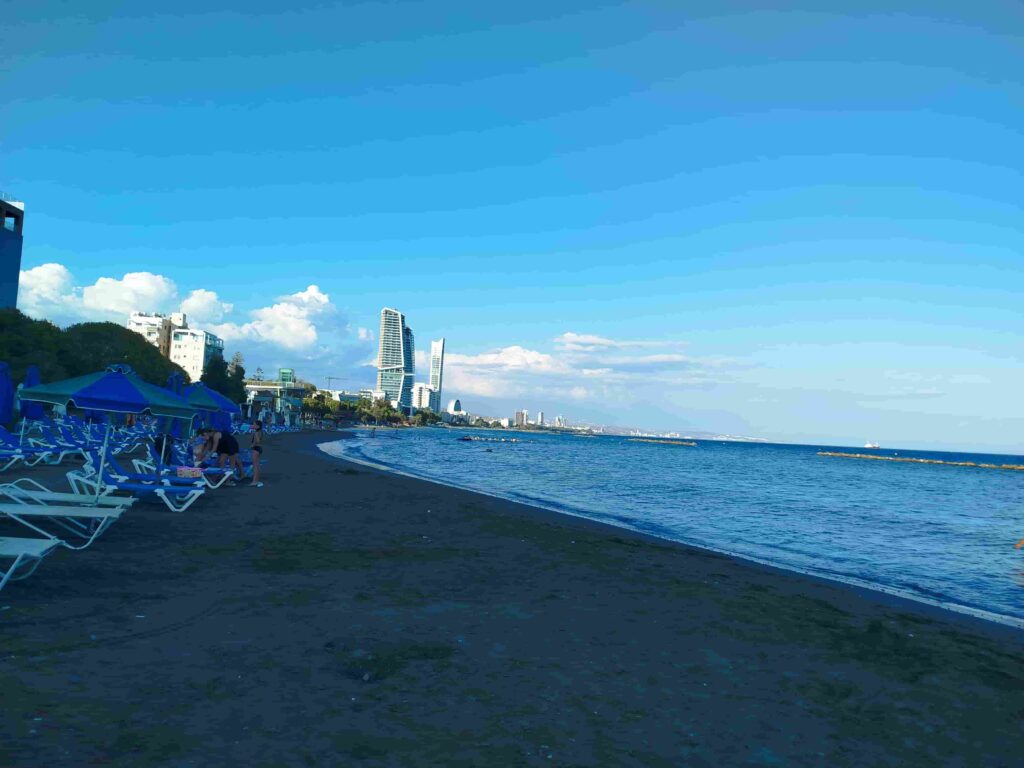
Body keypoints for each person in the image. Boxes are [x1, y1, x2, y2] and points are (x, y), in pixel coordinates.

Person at [249, 420, 264, 488]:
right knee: (257, 465)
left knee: (255, 466)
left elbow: (258, 441)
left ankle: (254, 481)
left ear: (258, 426)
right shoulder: (259, 431)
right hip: (258, 449)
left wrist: (253, 445)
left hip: (256, 449)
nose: (253, 425)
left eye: (254, 424)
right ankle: (256, 480)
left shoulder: (257, 432)